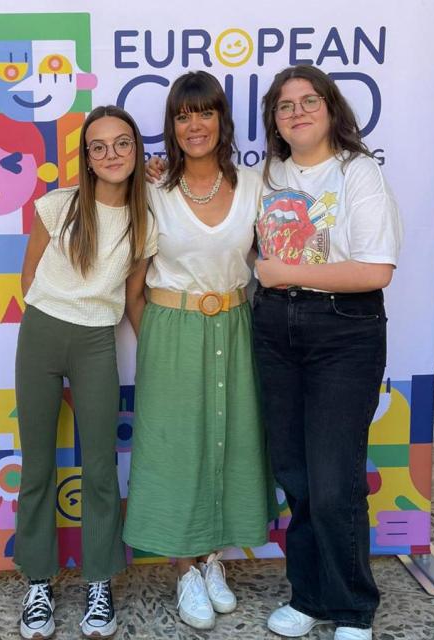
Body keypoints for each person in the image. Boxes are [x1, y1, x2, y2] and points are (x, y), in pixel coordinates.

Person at [123, 71, 278, 631]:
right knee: (176, 448)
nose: (195, 125)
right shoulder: (154, 192)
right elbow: (133, 288)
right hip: (172, 329)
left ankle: (213, 558)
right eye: (183, 115)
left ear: (222, 120)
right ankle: (185, 568)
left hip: (236, 325)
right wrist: (160, 343)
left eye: (205, 112)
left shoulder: (255, 186)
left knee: (229, 441)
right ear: (172, 125)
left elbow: (273, 259)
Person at [253, 65, 403, 640]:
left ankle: (352, 608)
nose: (297, 112)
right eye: (285, 105)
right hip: (276, 328)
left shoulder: (358, 171)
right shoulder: (269, 174)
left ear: (331, 108)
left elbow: (375, 270)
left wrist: (285, 272)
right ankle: (309, 597)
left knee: (335, 478)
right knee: (296, 474)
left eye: (308, 100)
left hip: (343, 330)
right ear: (274, 121)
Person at [15, 105, 157, 639]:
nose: (111, 154)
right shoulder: (58, 206)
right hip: (41, 334)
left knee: (99, 467)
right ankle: (38, 582)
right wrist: (51, 313)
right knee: (37, 463)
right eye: (99, 147)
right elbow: (29, 274)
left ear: (136, 150)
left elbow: (134, 294)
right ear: (87, 158)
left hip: (98, 340)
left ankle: (100, 582)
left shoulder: (145, 222)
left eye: (122, 143)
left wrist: (155, 354)